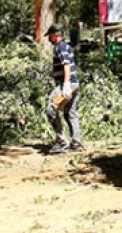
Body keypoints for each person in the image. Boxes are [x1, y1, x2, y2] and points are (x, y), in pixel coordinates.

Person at [45, 24, 83, 154]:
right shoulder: (66, 46)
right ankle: (76, 143)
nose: (49, 39)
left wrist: (65, 85)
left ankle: (61, 141)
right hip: (74, 85)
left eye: (50, 36)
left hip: (67, 85)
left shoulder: (59, 47)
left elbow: (66, 65)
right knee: (70, 113)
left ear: (55, 35)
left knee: (51, 108)